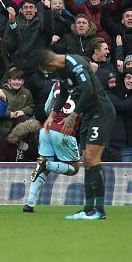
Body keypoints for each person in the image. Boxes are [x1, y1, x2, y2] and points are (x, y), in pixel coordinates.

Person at [36, 48, 116, 220]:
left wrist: (73, 115)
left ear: (50, 64)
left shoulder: (76, 64)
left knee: (93, 159)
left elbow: (88, 90)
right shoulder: (62, 69)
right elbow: (65, 92)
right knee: (87, 159)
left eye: (47, 70)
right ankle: (88, 209)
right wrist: (52, 115)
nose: (49, 73)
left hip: (101, 113)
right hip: (88, 115)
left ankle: (99, 210)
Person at [24, 79, 81, 213]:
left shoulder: (57, 84)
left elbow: (47, 107)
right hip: (64, 132)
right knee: (74, 168)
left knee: (42, 168)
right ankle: (47, 164)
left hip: (46, 129)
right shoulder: (85, 86)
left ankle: (29, 203)